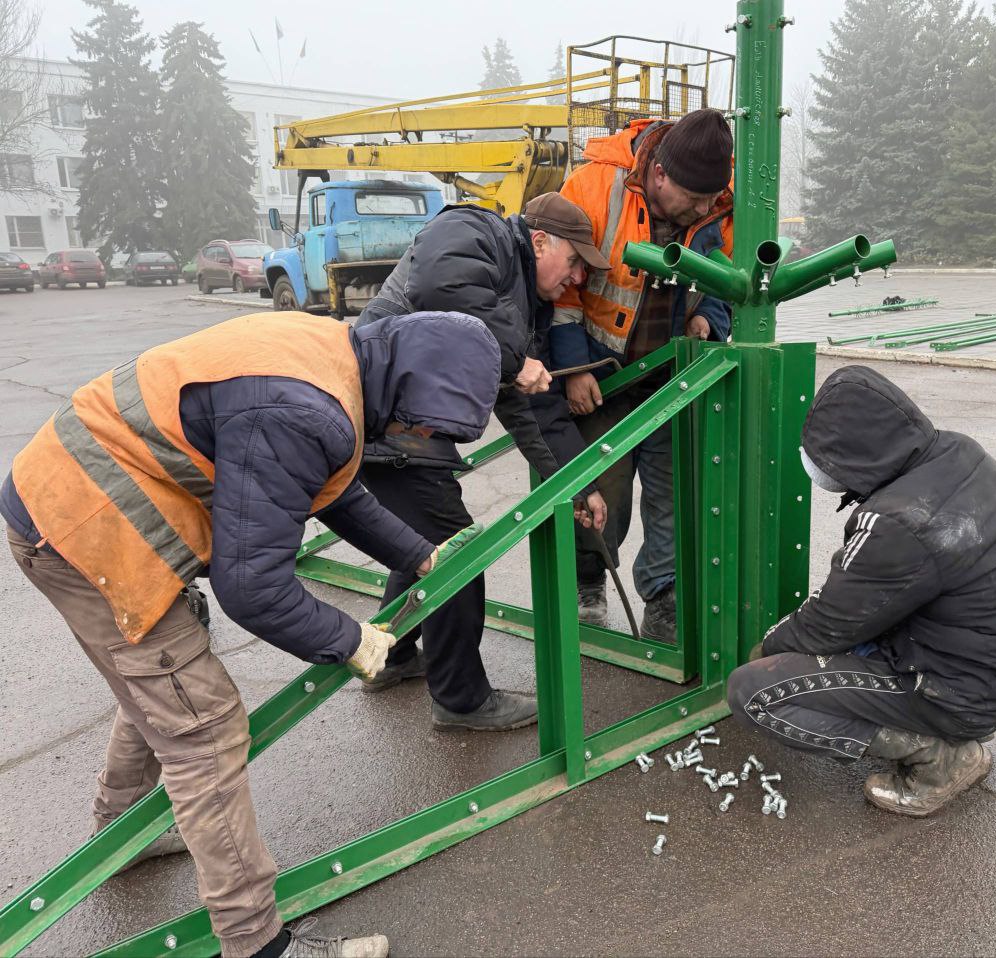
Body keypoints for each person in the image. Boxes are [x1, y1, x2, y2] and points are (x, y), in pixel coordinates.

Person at [2, 310, 502, 958]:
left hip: (64, 500)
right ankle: (257, 944)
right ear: (407, 385)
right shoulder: (304, 411)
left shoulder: (334, 360)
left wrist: (418, 554)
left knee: (162, 689)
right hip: (85, 530)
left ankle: (123, 832)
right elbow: (253, 589)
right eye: (426, 423)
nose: (423, 436)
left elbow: (333, 489)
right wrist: (352, 639)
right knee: (203, 725)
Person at [727, 366, 996, 818]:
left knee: (754, 691)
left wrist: (767, 649)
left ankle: (940, 757)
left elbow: (826, 624)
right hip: (991, 671)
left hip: (958, 692)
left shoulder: (897, 521)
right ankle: (944, 732)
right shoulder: (959, 452)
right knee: (838, 644)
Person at [355, 193, 611, 728]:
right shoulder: (480, 231)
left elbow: (529, 409)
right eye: (575, 264)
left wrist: (573, 483)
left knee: (426, 543)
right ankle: (461, 698)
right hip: (379, 410)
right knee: (455, 550)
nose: (577, 280)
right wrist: (515, 360)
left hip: (403, 424)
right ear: (539, 241)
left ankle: (393, 656)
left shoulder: (514, 302)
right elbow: (438, 285)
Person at [550, 107, 735, 642]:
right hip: (599, 371)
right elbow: (562, 288)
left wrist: (709, 315)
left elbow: (727, 275)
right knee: (602, 494)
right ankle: (588, 587)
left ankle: (664, 599)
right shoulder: (591, 186)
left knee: (672, 493)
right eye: (694, 199)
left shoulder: (716, 200)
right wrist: (573, 370)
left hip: (667, 375)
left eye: (711, 199)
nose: (704, 208)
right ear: (658, 175)